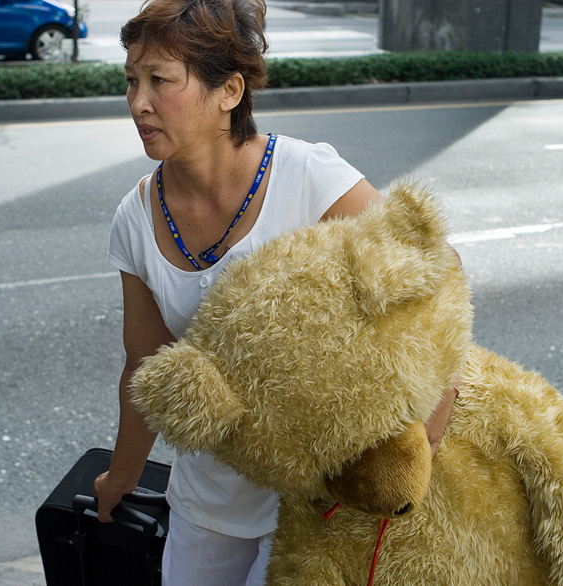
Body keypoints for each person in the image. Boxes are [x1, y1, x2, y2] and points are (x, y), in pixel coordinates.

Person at [92, 1, 457, 584]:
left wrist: (423, 442)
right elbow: (145, 362)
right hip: (204, 501)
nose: (139, 102)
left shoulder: (307, 177)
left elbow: (434, 270)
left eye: (160, 81)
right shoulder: (135, 219)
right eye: (131, 81)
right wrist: (122, 476)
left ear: (229, 91)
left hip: (316, 507)